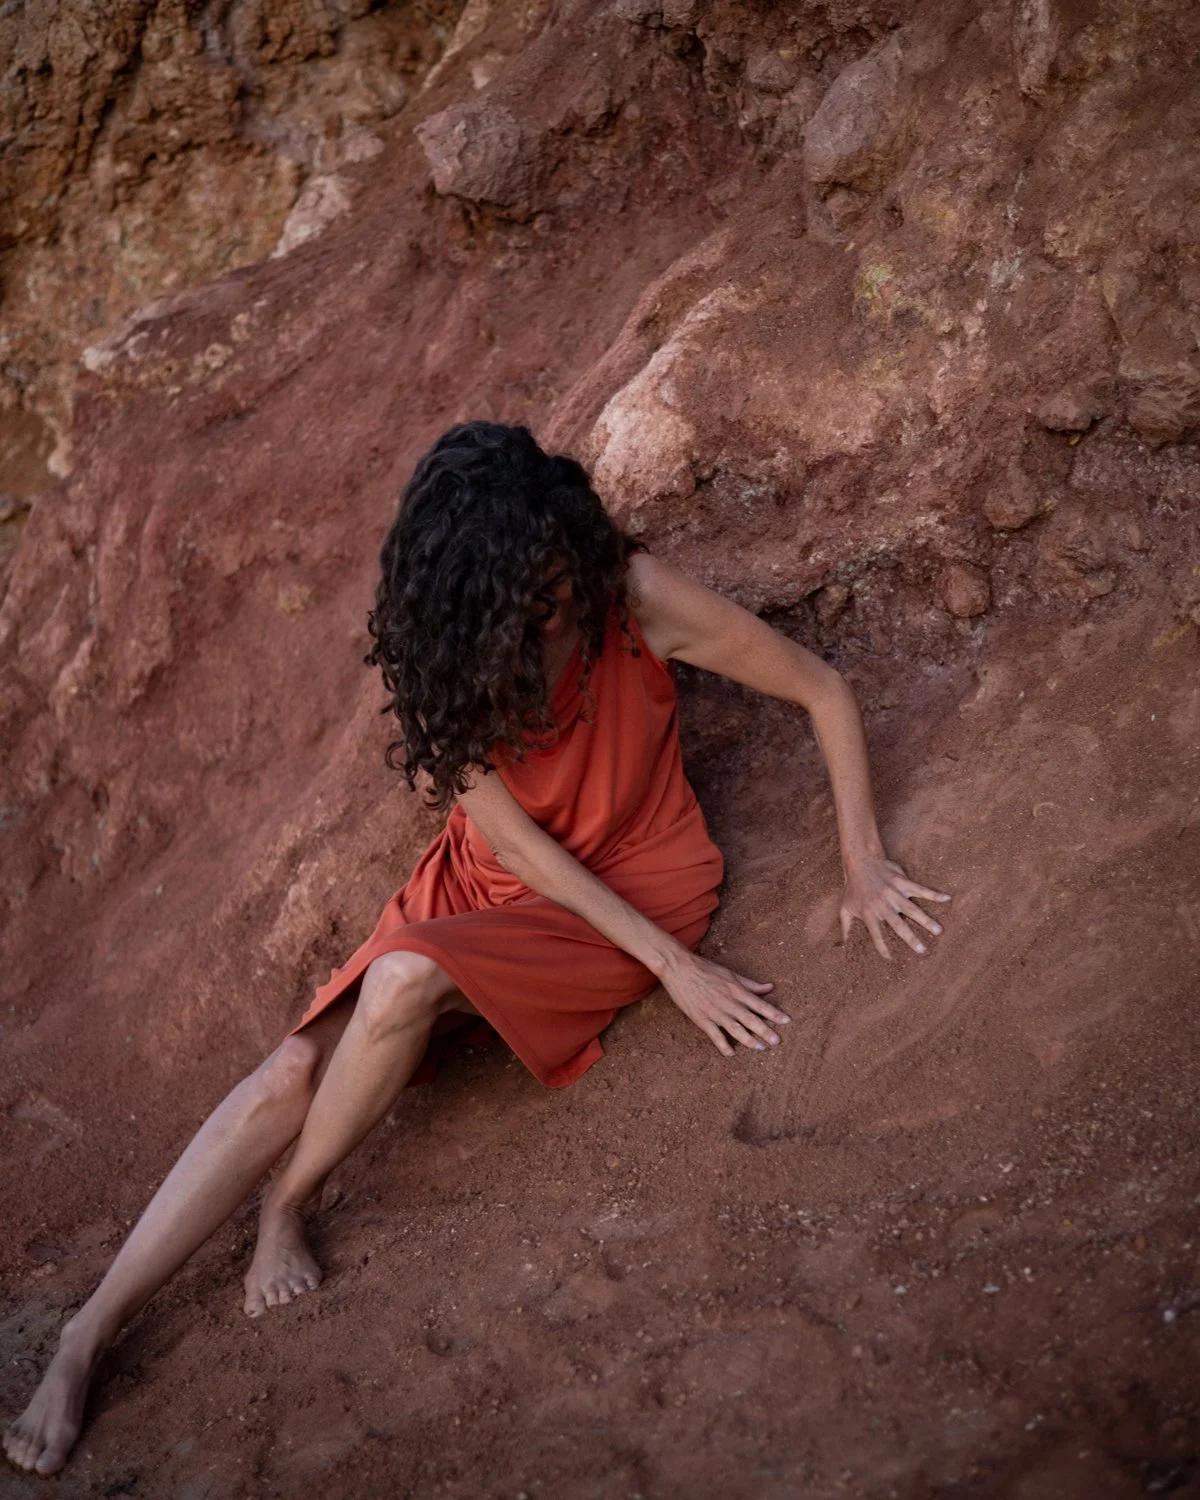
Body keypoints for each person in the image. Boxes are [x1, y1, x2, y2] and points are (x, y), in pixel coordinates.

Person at [4, 421, 950, 1476]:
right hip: (489, 884)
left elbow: (821, 689)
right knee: (285, 1073)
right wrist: (674, 971)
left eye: (554, 591)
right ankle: (86, 1338)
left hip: (639, 880)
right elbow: (521, 852)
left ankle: (288, 1203)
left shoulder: (632, 597)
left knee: (403, 980)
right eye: (524, 606)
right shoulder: (446, 661)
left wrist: (861, 862)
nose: (549, 620)